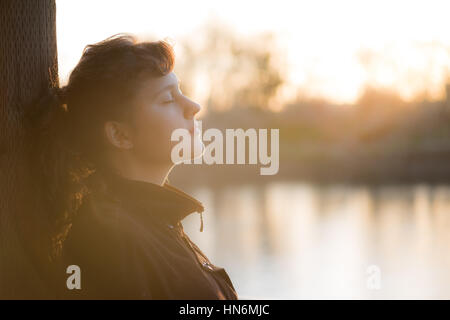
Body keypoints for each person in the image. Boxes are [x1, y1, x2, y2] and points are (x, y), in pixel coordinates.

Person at [29, 34, 238, 299]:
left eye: (181, 92)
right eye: (167, 100)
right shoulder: (110, 240)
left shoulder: (159, 223)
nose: (194, 106)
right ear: (120, 135)